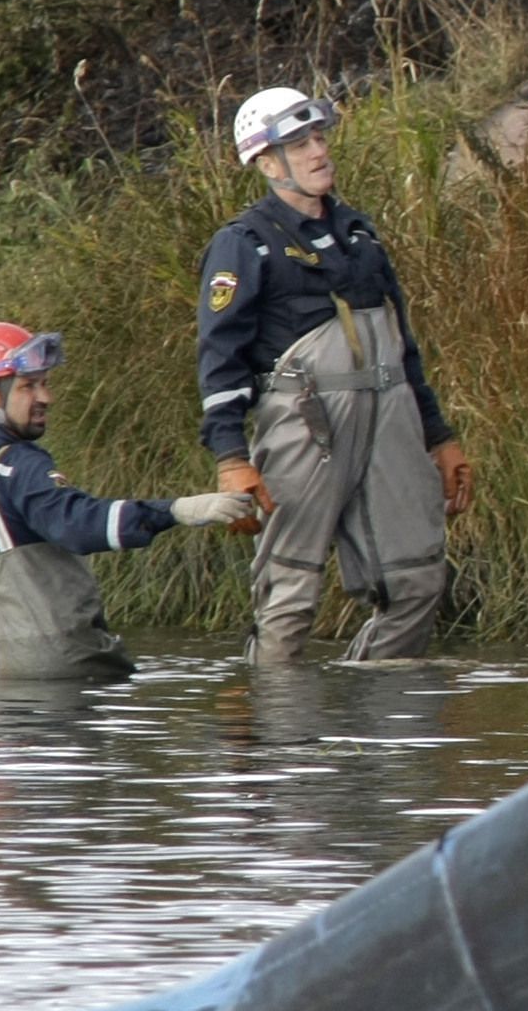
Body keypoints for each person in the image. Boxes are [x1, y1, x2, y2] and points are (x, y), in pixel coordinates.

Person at [198, 86, 475, 665]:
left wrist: (440, 437)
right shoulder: (243, 243)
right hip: (305, 425)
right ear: (267, 163)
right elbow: (220, 360)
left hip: (392, 420)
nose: (319, 151)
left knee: (417, 583)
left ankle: (373, 727)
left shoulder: (361, 233)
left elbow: (404, 347)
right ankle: (279, 735)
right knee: (290, 598)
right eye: (298, 144)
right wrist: (231, 459)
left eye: (319, 137)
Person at [0, 325, 259, 681]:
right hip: (66, 674)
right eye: (29, 386)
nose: (46, 397)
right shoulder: (18, 467)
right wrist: (178, 510)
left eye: (45, 383)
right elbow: (77, 524)